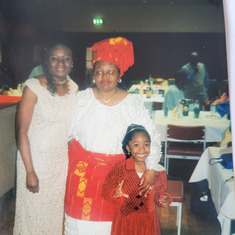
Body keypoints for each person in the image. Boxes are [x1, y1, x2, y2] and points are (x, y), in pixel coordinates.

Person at [64, 37, 163, 235]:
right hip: (81, 176)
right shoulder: (81, 99)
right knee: (78, 226)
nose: (104, 77)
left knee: (114, 228)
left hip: (119, 179)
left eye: (111, 72)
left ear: (119, 75)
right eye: (99, 72)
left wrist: (151, 168)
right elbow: (64, 133)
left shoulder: (132, 103)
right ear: (93, 75)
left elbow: (150, 136)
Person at [13, 42, 78, 235]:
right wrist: (30, 171)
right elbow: (21, 131)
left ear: (72, 63)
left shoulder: (73, 87)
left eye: (66, 58)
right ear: (46, 62)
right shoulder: (33, 87)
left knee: (54, 213)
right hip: (35, 160)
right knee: (33, 213)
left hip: (59, 162)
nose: (61, 63)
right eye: (55, 58)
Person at [102, 124, 172, 235]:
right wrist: (115, 193)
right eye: (136, 145)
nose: (142, 149)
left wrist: (164, 199)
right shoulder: (120, 169)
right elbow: (106, 191)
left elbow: (159, 193)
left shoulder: (158, 171)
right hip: (125, 221)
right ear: (128, 148)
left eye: (146, 144)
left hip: (148, 222)